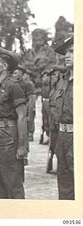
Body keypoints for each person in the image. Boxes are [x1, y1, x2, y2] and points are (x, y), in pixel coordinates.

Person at [0, 46, 27, 199]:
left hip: (8, 137)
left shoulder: (13, 86)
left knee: (13, 182)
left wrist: (22, 146)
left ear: (5, 66)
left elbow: (22, 116)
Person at [54, 36, 74, 200]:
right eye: (66, 53)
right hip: (62, 136)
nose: (67, 56)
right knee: (64, 183)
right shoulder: (63, 80)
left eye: (72, 52)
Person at [47, 65, 67, 174]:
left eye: (54, 75)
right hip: (52, 122)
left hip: (59, 121)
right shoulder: (53, 87)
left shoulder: (62, 86)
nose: (52, 77)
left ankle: (60, 166)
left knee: (60, 146)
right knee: (54, 144)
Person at [40, 70, 51, 145]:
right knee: (45, 121)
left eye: (45, 77)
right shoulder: (43, 85)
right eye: (43, 77)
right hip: (44, 103)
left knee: (50, 121)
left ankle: (50, 138)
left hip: (49, 103)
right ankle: (47, 136)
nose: (44, 78)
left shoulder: (52, 85)